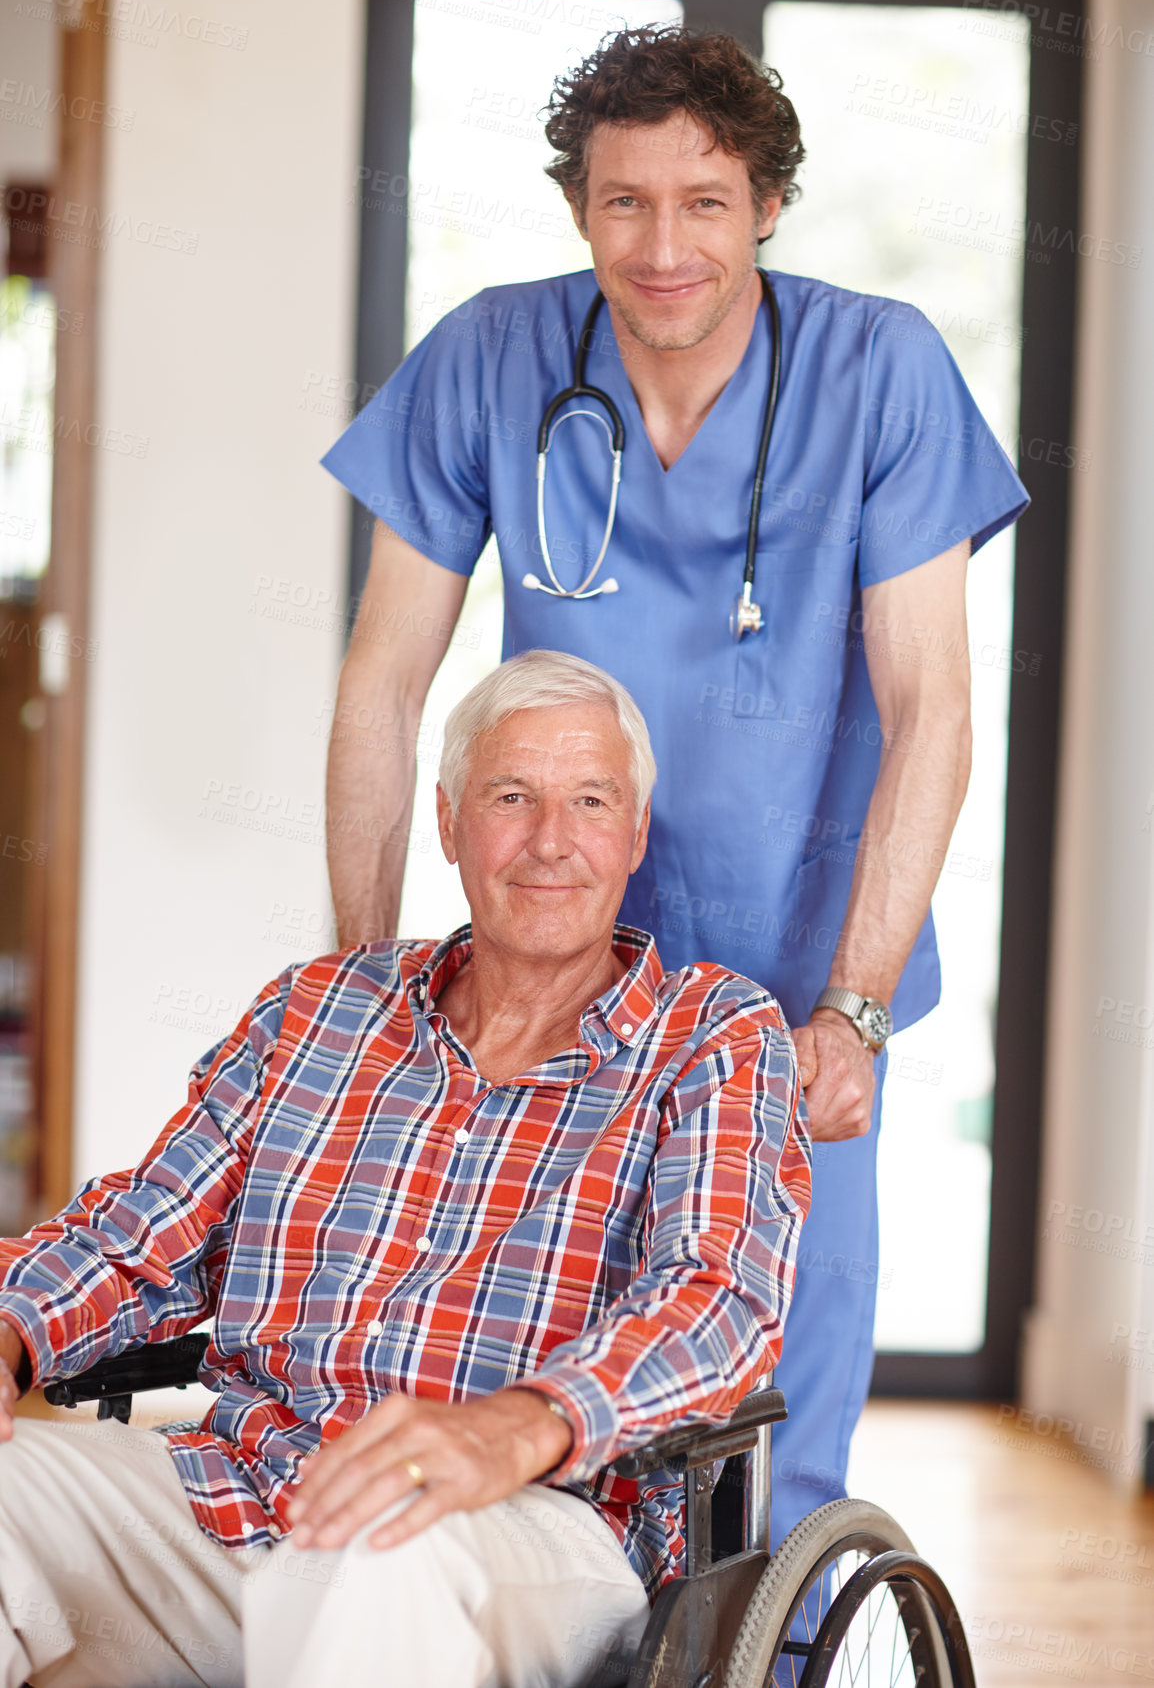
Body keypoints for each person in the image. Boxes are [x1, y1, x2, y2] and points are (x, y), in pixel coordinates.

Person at [320, 23, 1029, 1549]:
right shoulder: (490, 358)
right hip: (557, 978)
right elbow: (381, 683)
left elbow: (929, 706)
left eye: (702, 202)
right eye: (624, 202)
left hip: (794, 984)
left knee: (775, 1431)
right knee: (535, 1390)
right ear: (579, 207)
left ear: (766, 205)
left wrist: (849, 1004)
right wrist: (366, 974)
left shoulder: (877, 366)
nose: (662, 245)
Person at [0, 651, 809, 1688]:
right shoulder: (318, 1008)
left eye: (590, 801)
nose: (550, 840)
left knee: (377, 1554)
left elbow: (719, 1298)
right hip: (243, 1490)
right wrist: (14, 1326)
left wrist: (517, 1427)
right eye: (511, 796)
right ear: (448, 821)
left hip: (528, 1524)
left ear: (636, 832)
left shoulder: (711, 1033)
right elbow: (138, 1233)